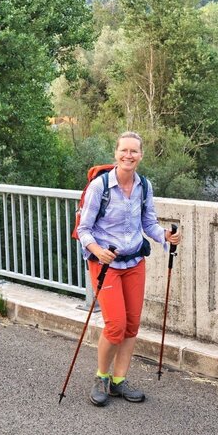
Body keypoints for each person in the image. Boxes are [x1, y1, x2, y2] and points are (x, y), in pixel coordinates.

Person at [76, 131, 181, 406]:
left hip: (135, 263)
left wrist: (164, 236)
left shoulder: (144, 186)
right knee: (115, 325)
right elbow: (83, 229)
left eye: (134, 151)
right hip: (106, 265)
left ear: (141, 156)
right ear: (116, 153)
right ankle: (101, 377)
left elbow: (149, 223)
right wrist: (97, 251)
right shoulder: (100, 187)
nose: (129, 155)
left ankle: (119, 381)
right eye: (124, 150)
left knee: (132, 325)